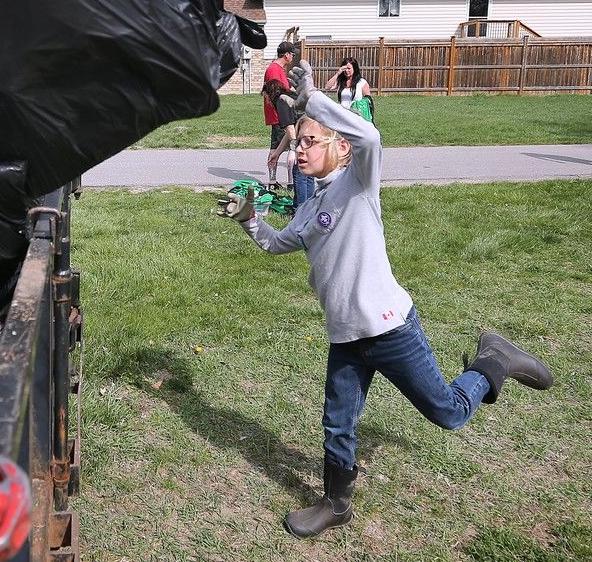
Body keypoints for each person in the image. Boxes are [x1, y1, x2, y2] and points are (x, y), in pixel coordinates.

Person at [217, 60, 553, 539]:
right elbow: (275, 243)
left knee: (450, 412)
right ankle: (336, 503)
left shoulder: (359, 186)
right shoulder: (310, 209)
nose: (301, 150)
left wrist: (314, 102)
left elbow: (372, 138)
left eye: (311, 141)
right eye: (299, 143)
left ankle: (494, 361)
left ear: (341, 148)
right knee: (337, 423)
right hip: (346, 337)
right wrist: (249, 217)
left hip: (391, 329)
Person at [262, 78, 316, 209]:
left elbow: (291, 131)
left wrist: (297, 150)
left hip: (306, 138)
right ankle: (307, 207)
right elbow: (289, 131)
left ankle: (300, 210)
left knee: (300, 174)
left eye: (266, 97)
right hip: (314, 135)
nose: (267, 101)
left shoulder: (281, 101)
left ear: (271, 93)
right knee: (308, 174)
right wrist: (276, 154)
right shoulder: (288, 97)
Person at [262, 41, 295, 188]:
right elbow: (275, 94)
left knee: (287, 146)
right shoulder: (274, 70)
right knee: (279, 147)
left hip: (283, 113)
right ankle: (275, 181)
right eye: (292, 54)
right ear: (286, 55)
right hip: (279, 115)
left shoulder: (279, 69)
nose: (293, 57)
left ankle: (284, 181)